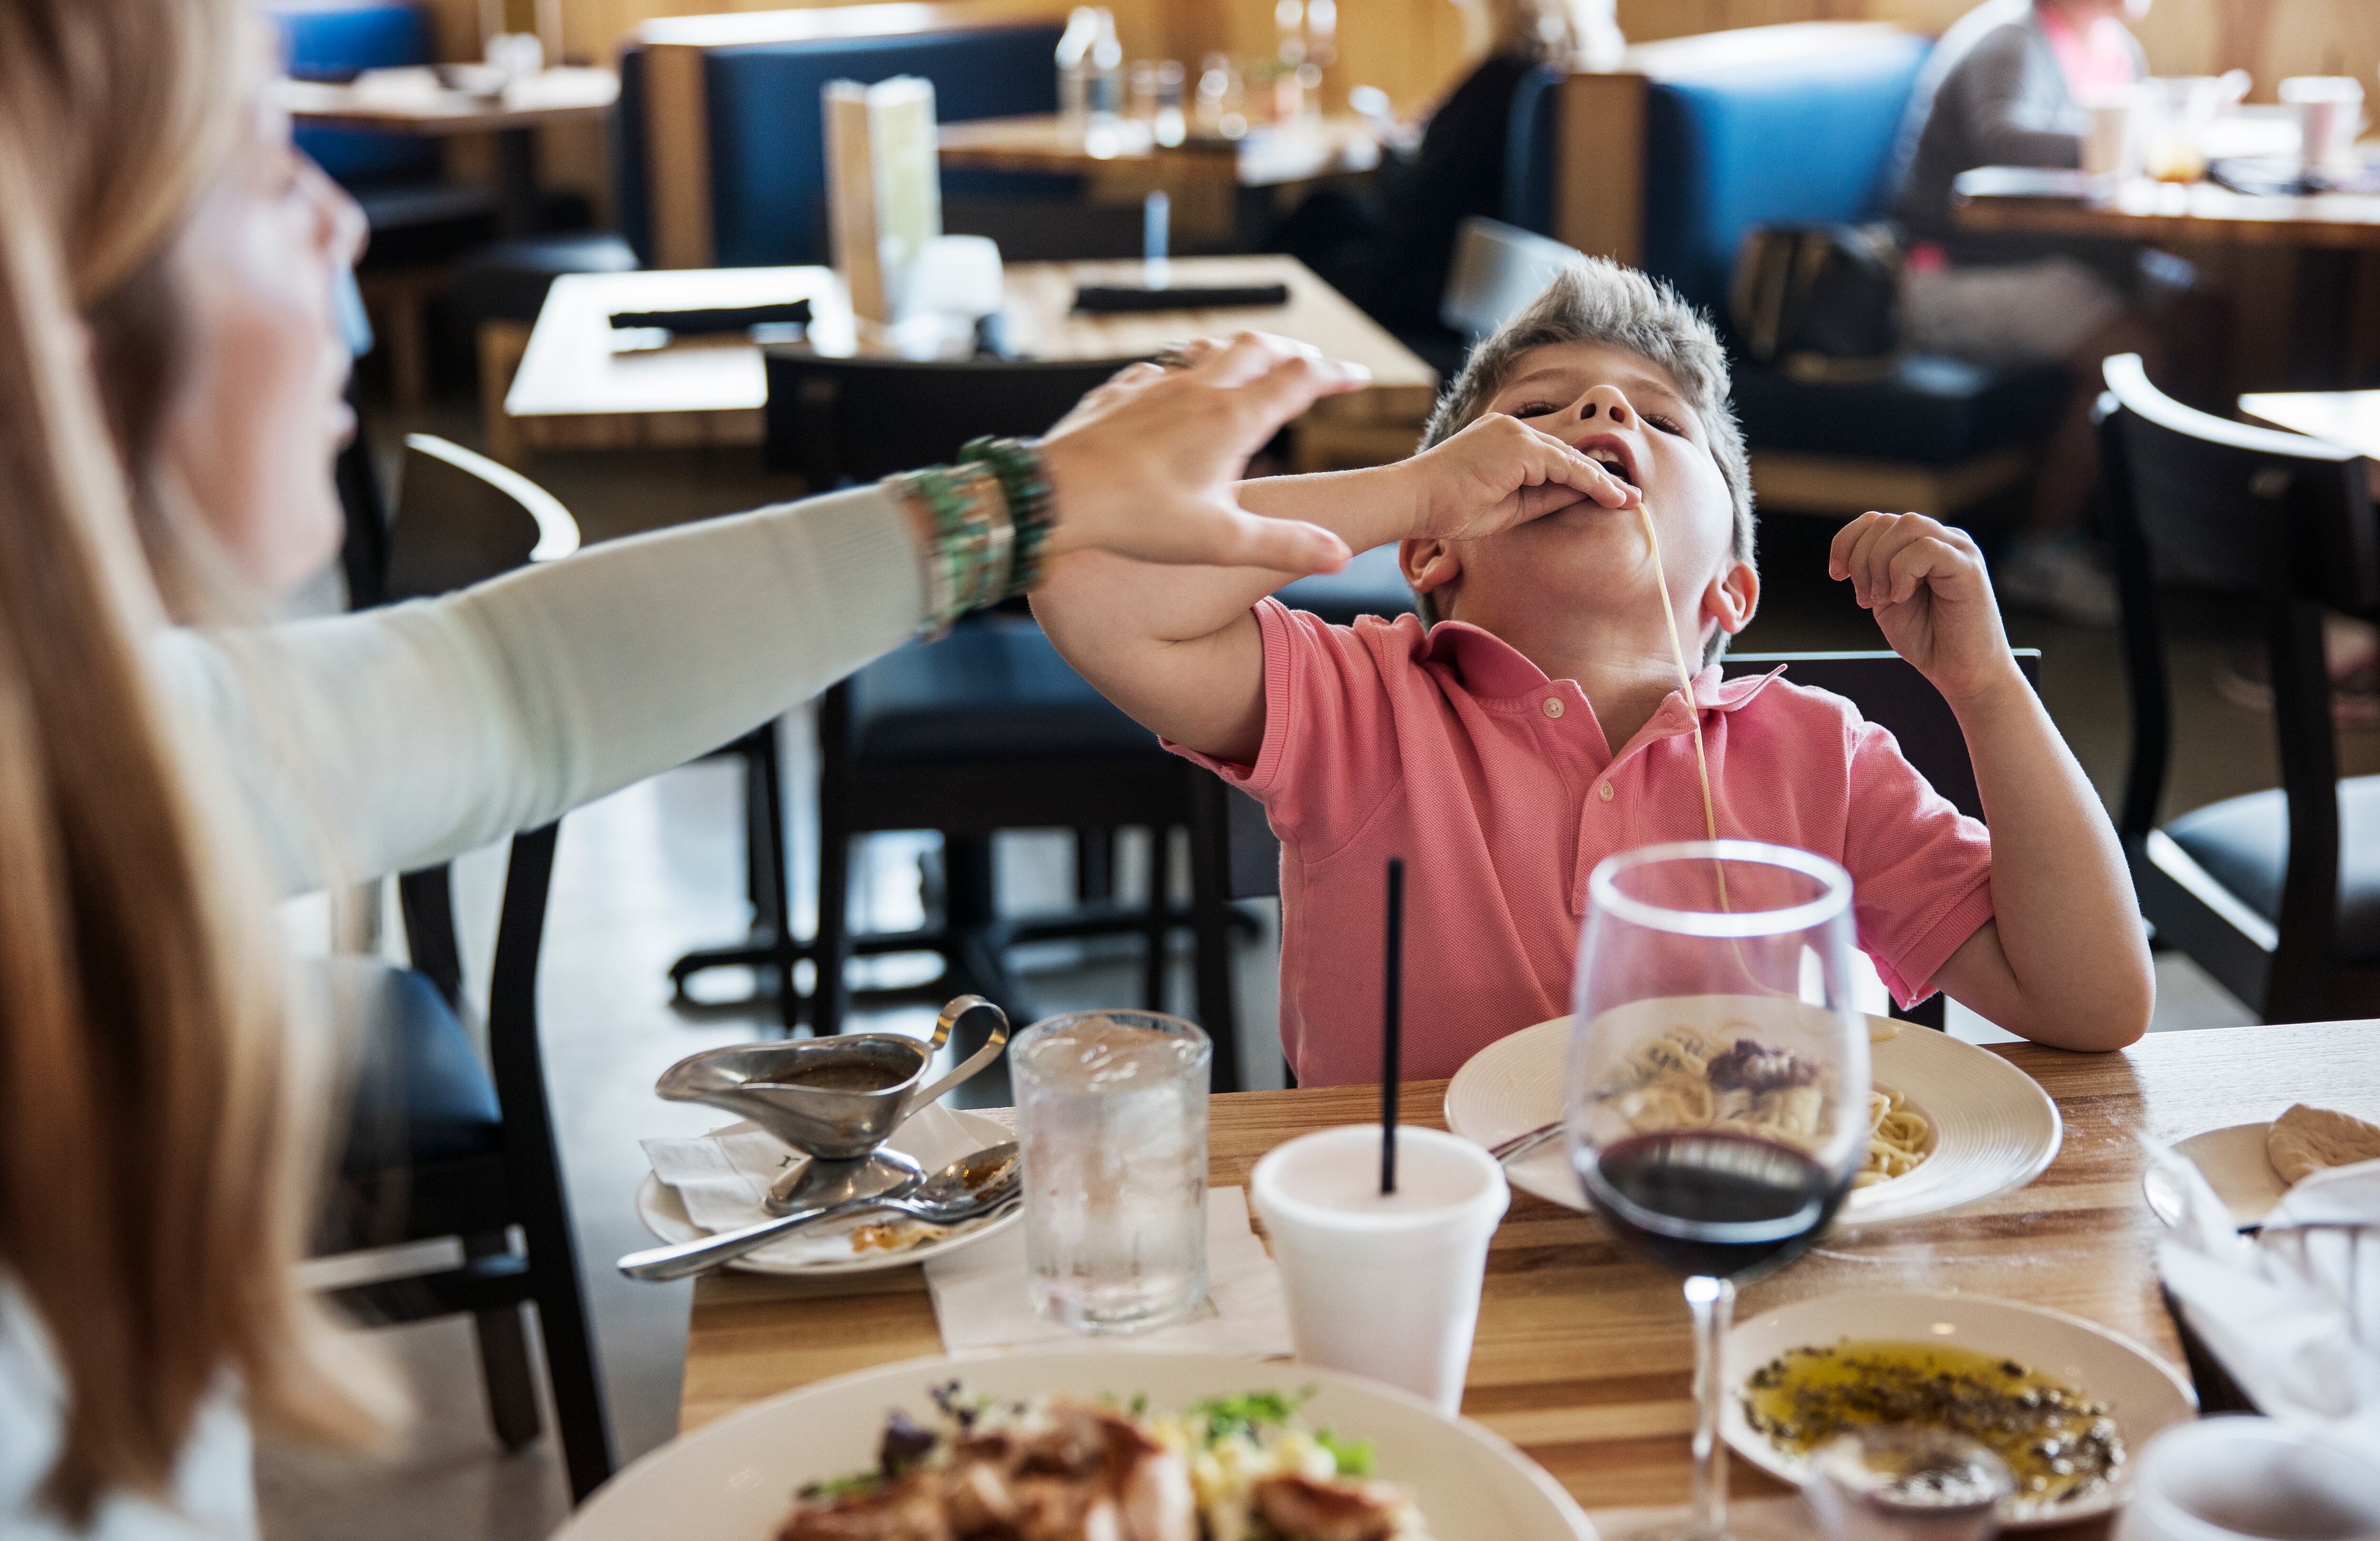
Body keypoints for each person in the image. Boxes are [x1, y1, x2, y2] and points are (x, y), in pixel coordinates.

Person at [0, 0, 1383, 1531]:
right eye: (258, 164)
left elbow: (512, 685)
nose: (332, 214)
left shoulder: (85, 752)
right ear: (58, 331)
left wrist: (1023, 503)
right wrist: (1021, 503)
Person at [1036, 259, 2155, 1086]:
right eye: (1532, 415)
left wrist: (1989, 685)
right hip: (1442, 1260)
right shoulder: (1362, 703)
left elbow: (2094, 1000)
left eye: (1661, 419)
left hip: (1733, 1239)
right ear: (1434, 552)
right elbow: (1086, 577)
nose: (1601, 413)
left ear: (1730, 589)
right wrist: (1407, 490)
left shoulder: (1825, 757)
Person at [1887, 0, 2188, 626]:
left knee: (2201, 308)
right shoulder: (2009, 39)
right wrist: (2132, 138)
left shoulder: (2115, 48)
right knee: (2127, 349)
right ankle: (2044, 551)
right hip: (1954, 271)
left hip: (2049, 261)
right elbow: (1999, 139)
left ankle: (2161, 530)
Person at [1274, 0, 1620, 356]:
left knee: (1315, 219)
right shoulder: (1567, 81)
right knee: (1332, 209)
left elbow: (1420, 200)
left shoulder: (1501, 77)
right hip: (1498, 268)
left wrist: (1391, 151)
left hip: (1444, 282)